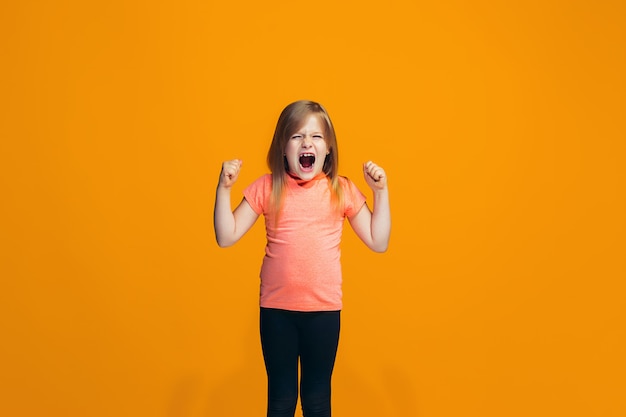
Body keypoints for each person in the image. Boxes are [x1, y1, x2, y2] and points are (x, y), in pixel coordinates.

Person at [213, 100, 391, 417]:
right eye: (296, 136)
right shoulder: (267, 187)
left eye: (316, 137)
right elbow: (226, 236)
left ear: (328, 151)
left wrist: (381, 192)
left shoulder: (342, 190)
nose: (306, 142)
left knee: (317, 398)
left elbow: (379, 241)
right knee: (281, 399)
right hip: (276, 312)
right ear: (283, 148)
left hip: (323, 312)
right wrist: (224, 188)